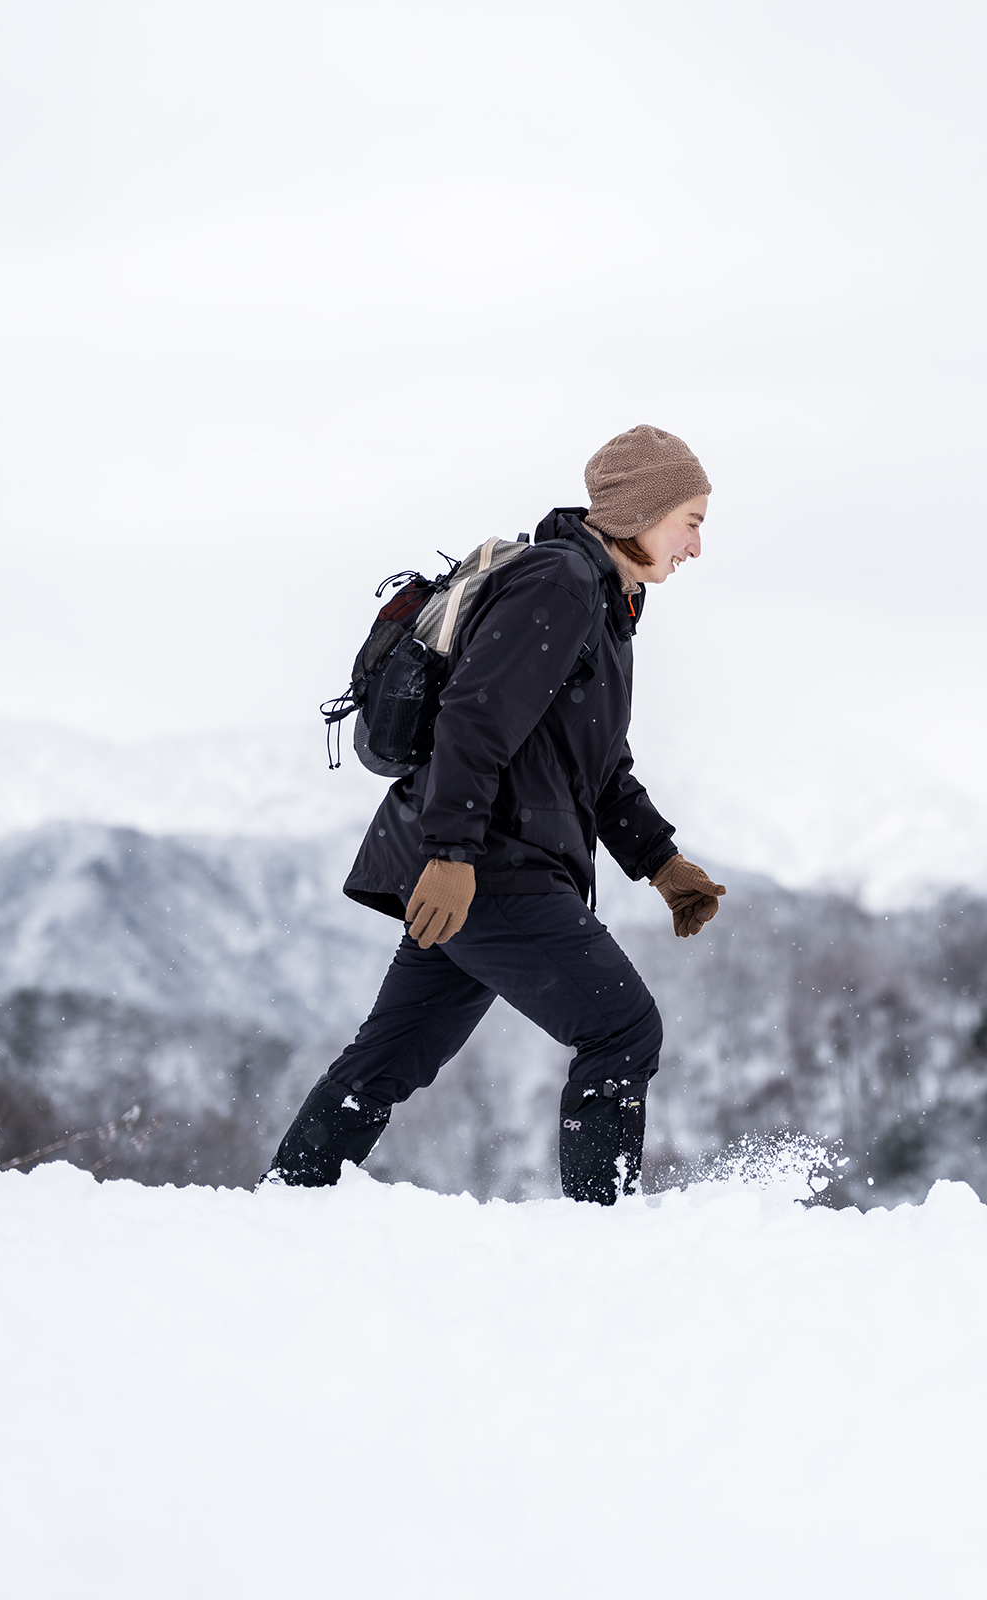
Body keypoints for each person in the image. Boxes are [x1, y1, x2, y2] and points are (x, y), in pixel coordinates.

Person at [268, 424, 726, 1203]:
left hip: (480, 864)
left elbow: (598, 765)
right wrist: (450, 856)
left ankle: (288, 1198)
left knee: (387, 1060)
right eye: (691, 521)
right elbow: (473, 720)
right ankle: (600, 1229)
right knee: (622, 1029)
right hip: (488, 866)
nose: (696, 547)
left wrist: (661, 862)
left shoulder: (608, 605)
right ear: (641, 511)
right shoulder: (560, 585)